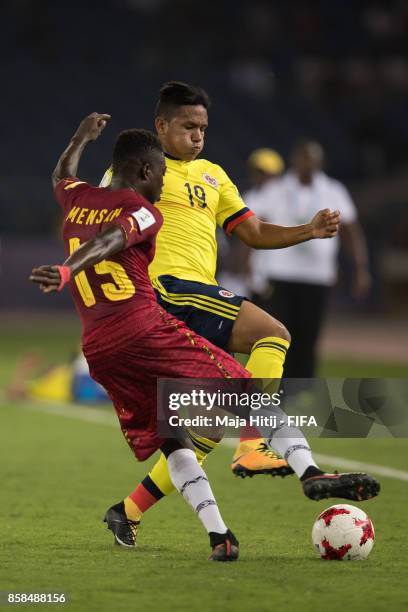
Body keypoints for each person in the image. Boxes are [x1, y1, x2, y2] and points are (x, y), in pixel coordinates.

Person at [31, 113, 380, 557]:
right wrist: (69, 267)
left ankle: (202, 531)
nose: (163, 184)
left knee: (189, 432)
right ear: (146, 168)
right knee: (250, 382)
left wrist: (79, 137)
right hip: (149, 323)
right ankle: (305, 469)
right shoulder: (143, 210)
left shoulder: (79, 198)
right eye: (159, 175)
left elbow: (62, 175)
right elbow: (112, 239)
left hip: (100, 347)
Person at [247, 140, 371, 378]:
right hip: (280, 272)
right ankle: (276, 386)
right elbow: (255, 226)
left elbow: (350, 231)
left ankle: (302, 388)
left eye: (312, 158)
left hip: (317, 275)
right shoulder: (277, 188)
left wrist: (360, 268)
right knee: (276, 333)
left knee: (309, 335)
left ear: (320, 162)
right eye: (303, 157)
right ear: (294, 160)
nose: (307, 163)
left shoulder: (334, 190)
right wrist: (248, 262)